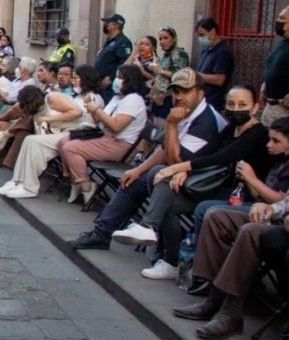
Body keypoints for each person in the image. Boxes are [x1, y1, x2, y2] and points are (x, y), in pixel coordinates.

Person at [115, 86, 271, 280]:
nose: (236, 109)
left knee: (165, 175)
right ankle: (168, 258)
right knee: (164, 190)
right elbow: (208, 152)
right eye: (231, 104)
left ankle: (149, 228)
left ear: (255, 108)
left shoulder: (258, 134)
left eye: (242, 105)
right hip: (213, 185)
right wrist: (185, 170)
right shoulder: (231, 129)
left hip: (241, 195)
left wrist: (179, 168)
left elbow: (222, 158)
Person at [68, 68, 229, 250]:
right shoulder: (184, 111)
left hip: (203, 182)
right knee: (133, 180)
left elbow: (176, 161)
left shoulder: (206, 120)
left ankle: (160, 246)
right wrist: (138, 170)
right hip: (179, 173)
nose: (179, 96)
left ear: (200, 93)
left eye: (186, 91)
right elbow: (164, 149)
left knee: (157, 176)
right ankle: (101, 233)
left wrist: (171, 125)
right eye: (176, 91)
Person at [172, 191, 289, 339]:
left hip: (282, 231)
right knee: (217, 217)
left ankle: (231, 313)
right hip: (280, 223)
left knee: (250, 231)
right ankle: (214, 299)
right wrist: (271, 208)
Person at [59, 63, 149, 204]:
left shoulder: (133, 100)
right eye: (117, 77)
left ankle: (86, 186)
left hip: (121, 145)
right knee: (64, 141)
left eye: (120, 77)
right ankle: (75, 181)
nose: (116, 81)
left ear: (130, 80)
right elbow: (101, 121)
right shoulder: (117, 98)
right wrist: (92, 107)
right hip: (106, 136)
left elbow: (116, 126)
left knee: (70, 148)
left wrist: (97, 110)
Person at [147, 26, 191, 120]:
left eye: (166, 38)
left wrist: (160, 71)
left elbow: (181, 77)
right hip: (159, 96)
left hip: (170, 97)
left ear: (173, 39)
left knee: (164, 125)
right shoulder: (167, 55)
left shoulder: (179, 54)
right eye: (160, 39)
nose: (162, 41)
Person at [194, 17, 234, 112]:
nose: (200, 38)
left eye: (202, 35)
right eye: (199, 36)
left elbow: (219, 80)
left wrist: (196, 75)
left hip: (214, 103)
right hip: (201, 100)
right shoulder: (206, 51)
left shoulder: (223, 52)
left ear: (212, 32)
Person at [260, 5, 289, 126]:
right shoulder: (282, 43)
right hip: (270, 106)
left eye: (282, 18)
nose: (278, 21)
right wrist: (265, 83)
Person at [94, 13, 132, 102]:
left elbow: (123, 64)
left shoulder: (123, 42)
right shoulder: (110, 40)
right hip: (100, 83)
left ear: (115, 25)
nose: (106, 25)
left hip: (110, 85)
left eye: (108, 23)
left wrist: (111, 78)